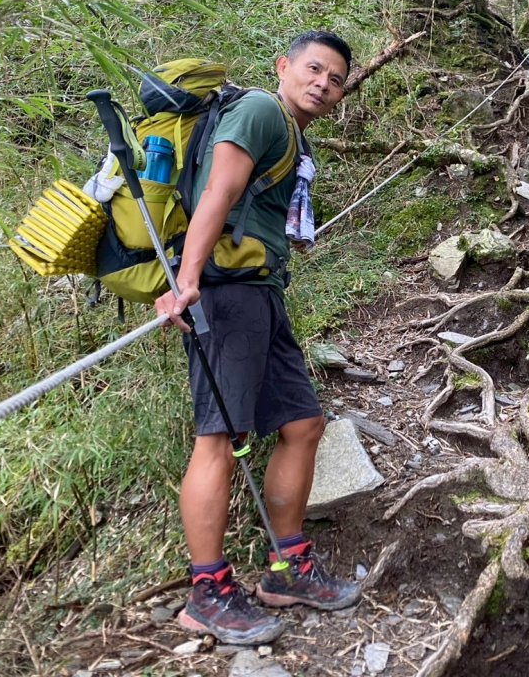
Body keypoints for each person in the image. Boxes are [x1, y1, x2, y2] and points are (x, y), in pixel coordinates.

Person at [155, 31, 359, 645]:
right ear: (284, 66)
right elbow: (218, 190)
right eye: (314, 69)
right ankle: (208, 592)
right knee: (219, 439)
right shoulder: (261, 110)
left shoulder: (292, 134)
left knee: (302, 425)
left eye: (336, 79)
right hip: (226, 294)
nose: (323, 83)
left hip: (260, 293)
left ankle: (286, 568)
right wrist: (186, 280)